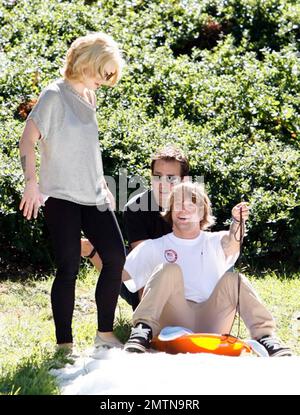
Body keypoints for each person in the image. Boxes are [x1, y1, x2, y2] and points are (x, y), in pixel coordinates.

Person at [19, 32, 126, 353]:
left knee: (115, 257)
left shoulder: (89, 97)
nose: (105, 80)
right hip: (61, 197)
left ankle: (104, 335)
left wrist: (103, 184)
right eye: (103, 72)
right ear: (86, 63)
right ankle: (64, 345)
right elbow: (27, 139)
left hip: (93, 194)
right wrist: (31, 182)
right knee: (68, 267)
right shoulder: (54, 95)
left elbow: (87, 148)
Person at [122, 182, 292, 357]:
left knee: (234, 280)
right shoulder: (153, 246)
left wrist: (237, 222)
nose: (183, 210)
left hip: (212, 319)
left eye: (190, 205)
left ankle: (265, 336)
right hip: (173, 319)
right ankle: (142, 329)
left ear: (202, 212)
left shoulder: (216, 241)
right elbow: (120, 276)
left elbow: (232, 244)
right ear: (170, 211)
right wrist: (98, 250)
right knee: (168, 270)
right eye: (178, 205)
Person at [81, 144, 190, 310]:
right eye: (157, 176)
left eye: (170, 178)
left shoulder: (194, 206)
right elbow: (144, 264)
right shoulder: (135, 207)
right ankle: (93, 251)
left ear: (184, 180)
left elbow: (198, 257)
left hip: (185, 281)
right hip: (142, 283)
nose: (162, 184)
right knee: (116, 255)